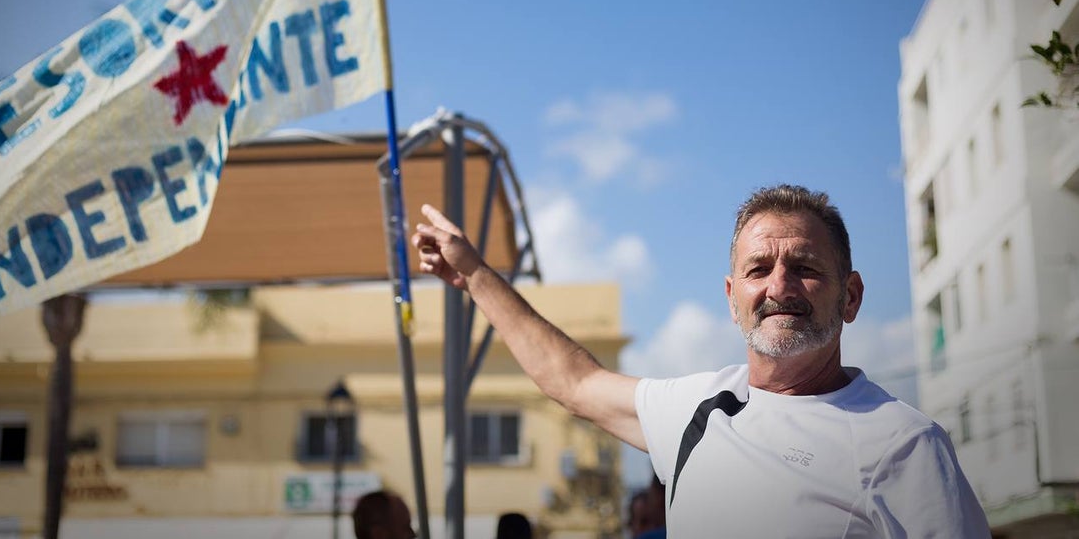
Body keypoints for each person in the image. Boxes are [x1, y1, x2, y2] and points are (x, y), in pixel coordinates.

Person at [413, 184, 990, 538]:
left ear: (851, 296)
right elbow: (574, 381)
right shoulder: (700, 407)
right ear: (733, 299)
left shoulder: (907, 445)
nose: (780, 286)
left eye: (806, 268)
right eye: (759, 269)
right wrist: (474, 275)